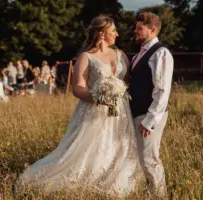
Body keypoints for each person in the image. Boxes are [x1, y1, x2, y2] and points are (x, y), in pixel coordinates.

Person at [16, 16, 142, 198]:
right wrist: (98, 97)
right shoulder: (86, 57)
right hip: (94, 110)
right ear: (102, 33)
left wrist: (117, 92)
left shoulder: (120, 54)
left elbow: (128, 81)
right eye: (113, 30)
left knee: (119, 145)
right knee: (93, 148)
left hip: (121, 111)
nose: (117, 34)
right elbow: (78, 88)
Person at [128, 12, 174, 199]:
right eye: (136, 27)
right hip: (136, 112)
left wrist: (150, 121)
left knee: (149, 159)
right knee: (140, 158)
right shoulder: (139, 54)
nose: (135, 31)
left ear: (152, 30)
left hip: (149, 115)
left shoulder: (161, 53)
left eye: (140, 28)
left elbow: (162, 91)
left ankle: (159, 196)